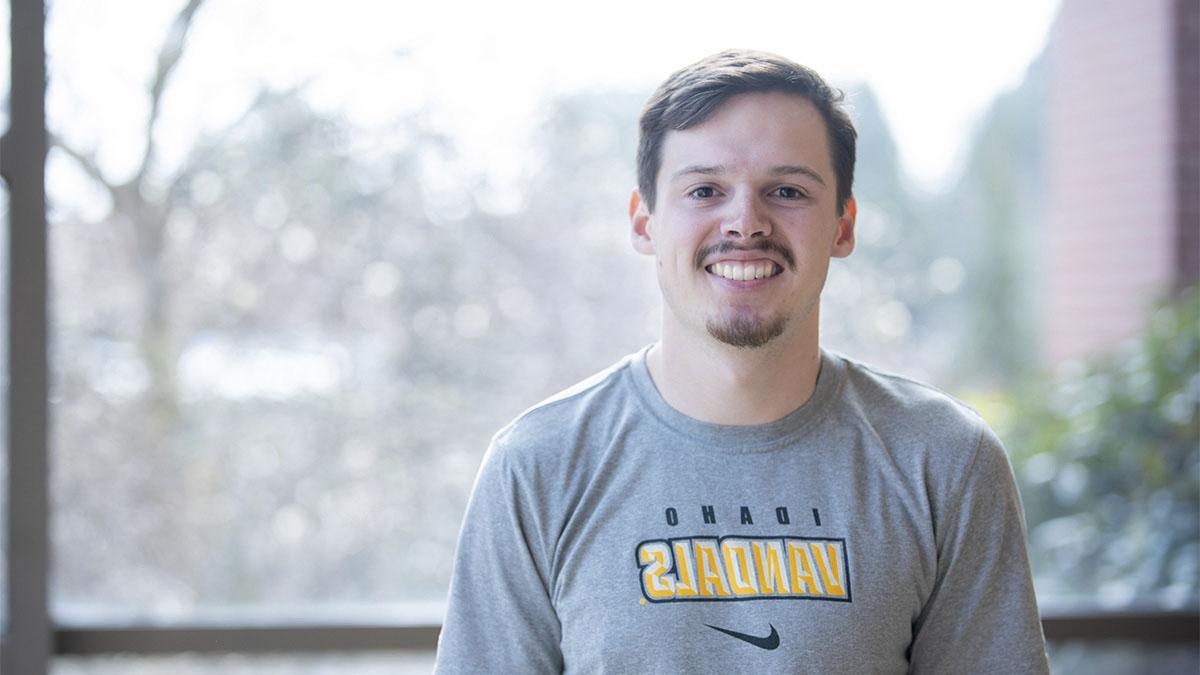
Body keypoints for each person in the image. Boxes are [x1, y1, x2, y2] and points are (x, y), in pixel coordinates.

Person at [434, 49, 1050, 674]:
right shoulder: (537, 466)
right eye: (705, 190)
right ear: (644, 222)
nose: (745, 223)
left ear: (843, 225)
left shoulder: (943, 459)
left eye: (787, 191)